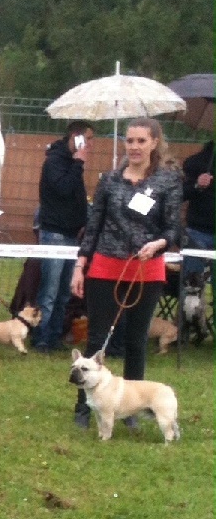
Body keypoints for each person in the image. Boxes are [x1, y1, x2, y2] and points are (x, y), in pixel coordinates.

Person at [70, 118, 182, 429]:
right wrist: (80, 265)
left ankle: (130, 408)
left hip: (147, 271)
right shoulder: (110, 180)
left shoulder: (168, 181)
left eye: (141, 141)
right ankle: (84, 406)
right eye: (130, 141)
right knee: (96, 340)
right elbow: (93, 227)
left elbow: (174, 229)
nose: (134, 146)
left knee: (135, 341)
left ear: (154, 143)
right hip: (106, 266)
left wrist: (159, 243)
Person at [31, 121, 94, 352]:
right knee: (49, 290)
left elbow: (75, 197)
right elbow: (63, 189)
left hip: (71, 234)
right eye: (88, 138)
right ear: (76, 138)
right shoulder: (55, 162)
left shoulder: (72, 164)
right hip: (55, 233)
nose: (90, 144)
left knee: (63, 292)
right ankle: (41, 336)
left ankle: (54, 335)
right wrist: (78, 162)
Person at [181, 140, 214, 291]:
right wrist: (197, 185)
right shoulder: (198, 163)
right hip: (197, 232)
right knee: (191, 287)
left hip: (198, 230)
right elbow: (180, 194)